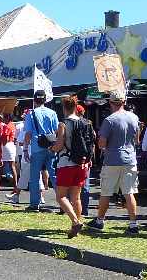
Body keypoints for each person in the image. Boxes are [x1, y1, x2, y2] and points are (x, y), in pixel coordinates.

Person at [86, 90, 141, 234]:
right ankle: (133, 224)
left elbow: (102, 144)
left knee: (106, 192)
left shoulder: (109, 120)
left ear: (110, 103)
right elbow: (137, 140)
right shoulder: (134, 118)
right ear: (124, 102)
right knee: (129, 192)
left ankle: (99, 221)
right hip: (130, 158)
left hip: (112, 159)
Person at [52, 96, 92, 238]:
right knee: (76, 198)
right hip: (81, 164)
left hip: (66, 163)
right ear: (76, 107)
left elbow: (59, 145)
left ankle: (75, 222)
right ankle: (77, 224)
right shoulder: (85, 122)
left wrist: (52, 147)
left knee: (60, 196)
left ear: (64, 108)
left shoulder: (63, 124)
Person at [23, 90, 60, 212]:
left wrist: (25, 149)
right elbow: (56, 131)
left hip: (37, 148)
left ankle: (34, 204)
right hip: (51, 147)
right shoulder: (52, 113)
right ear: (45, 100)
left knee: (34, 177)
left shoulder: (31, 114)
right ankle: (63, 202)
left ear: (34, 100)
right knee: (54, 176)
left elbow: (28, 134)